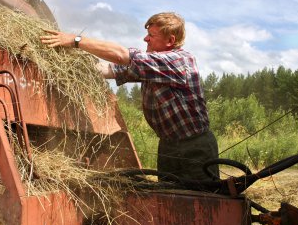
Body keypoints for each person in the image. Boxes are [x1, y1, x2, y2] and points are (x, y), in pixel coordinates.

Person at [40, 12, 219, 181]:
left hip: (194, 147)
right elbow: (108, 70)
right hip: (168, 146)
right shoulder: (152, 66)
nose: (145, 38)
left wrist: (75, 40)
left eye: (152, 35)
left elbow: (121, 55)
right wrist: (65, 64)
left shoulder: (178, 61)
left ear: (170, 40)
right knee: (169, 200)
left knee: (202, 200)